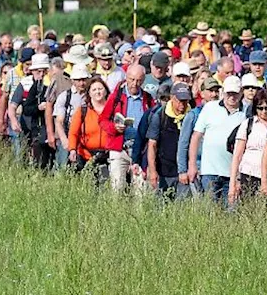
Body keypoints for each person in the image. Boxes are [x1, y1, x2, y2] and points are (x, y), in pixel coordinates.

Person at [190, 76, 246, 206]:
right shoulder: (210, 108)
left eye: (235, 93)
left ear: (241, 92)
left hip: (232, 173)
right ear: (223, 92)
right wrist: (192, 165)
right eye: (229, 93)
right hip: (210, 170)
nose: (232, 97)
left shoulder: (245, 113)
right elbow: (196, 136)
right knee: (209, 211)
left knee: (231, 212)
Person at [99, 65, 155, 193]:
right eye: (131, 79)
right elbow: (102, 120)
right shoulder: (116, 97)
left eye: (139, 80)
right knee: (117, 188)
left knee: (141, 191)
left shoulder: (148, 99)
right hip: (120, 148)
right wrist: (114, 128)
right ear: (126, 78)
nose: (135, 84)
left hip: (140, 151)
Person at [228, 92, 267, 206]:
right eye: (260, 108)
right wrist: (233, 183)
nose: (264, 111)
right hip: (248, 174)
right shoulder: (248, 124)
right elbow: (237, 155)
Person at [146, 82, 193, 198]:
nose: (183, 104)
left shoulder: (192, 116)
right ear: (172, 98)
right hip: (164, 170)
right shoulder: (159, 116)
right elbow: (152, 145)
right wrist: (152, 171)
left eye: (185, 101)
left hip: (184, 170)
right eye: (180, 100)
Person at [68, 77, 112, 182]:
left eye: (100, 89)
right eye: (94, 90)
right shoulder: (82, 111)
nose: (98, 92)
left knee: (106, 186)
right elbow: (73, 132)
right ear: (89, 93)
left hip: (109, 156)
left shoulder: (113, 110)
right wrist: (72, 149)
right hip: (86, 155)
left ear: (106, 90)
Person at [18, 53, 55, 170]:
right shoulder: (35, 87)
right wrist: (38, 108)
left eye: (44, 71)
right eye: (38, 71)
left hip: (57, 129)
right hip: (39, 130)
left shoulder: (56, 84)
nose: (42, 74)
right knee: (41, 164)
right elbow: (27, 109)